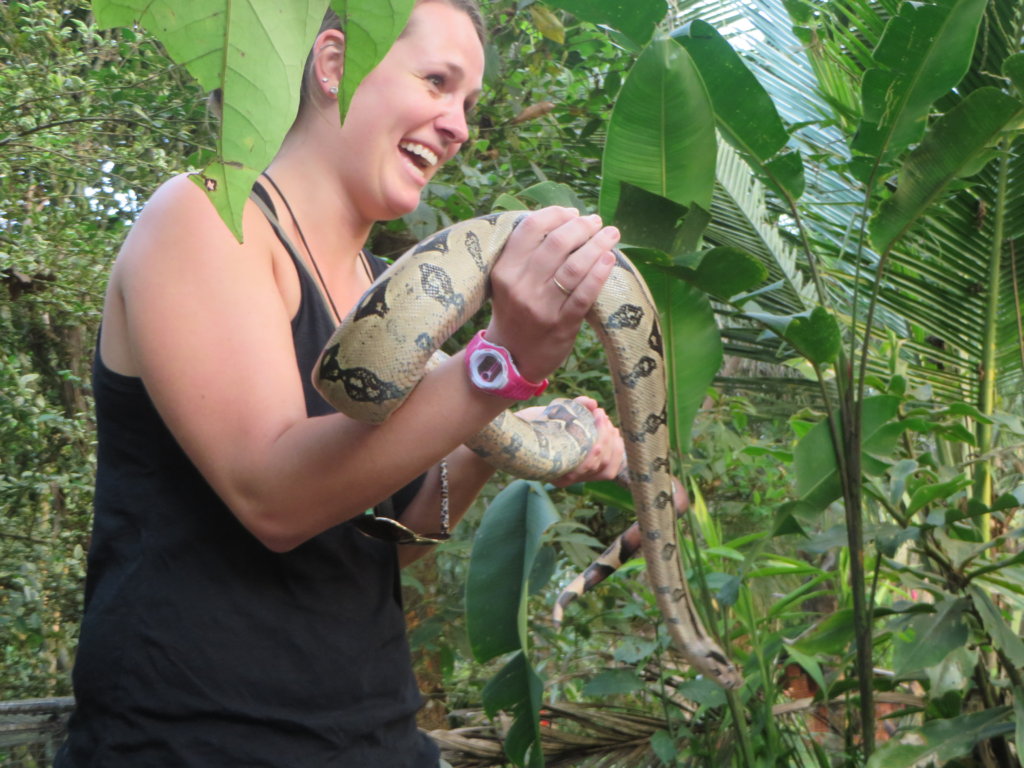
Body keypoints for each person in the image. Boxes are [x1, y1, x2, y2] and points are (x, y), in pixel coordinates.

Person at [55, 0, 624, 765]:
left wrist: (506, 427)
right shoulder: (208, 218)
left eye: (468, 104)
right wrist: (496, 370)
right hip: (196, 741)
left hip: (375, 737)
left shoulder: (386, 289)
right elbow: (275, 497)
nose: (457, 125)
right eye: (436, 82)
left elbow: (379, 543)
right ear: (333, 65)